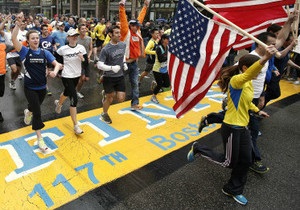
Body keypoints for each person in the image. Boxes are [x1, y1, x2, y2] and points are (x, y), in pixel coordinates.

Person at [187, 46, 277, 205]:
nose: (259, 73)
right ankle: (198, 148)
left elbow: (247, 102)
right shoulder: (237, 81)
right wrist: (264, 59)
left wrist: (257, 111)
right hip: (231, 128)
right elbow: (249, 74)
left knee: (246, 160)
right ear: (245, 68)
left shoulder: (248, 83)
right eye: (257, 70)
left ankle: (233, 189)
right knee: (228, 162)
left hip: (242, 127)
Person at [11, 13, 62, 152]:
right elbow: (13, 38)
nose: (35, 40)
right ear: (27, 41)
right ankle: (40, 139)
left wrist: (54, 72)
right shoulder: (24, 52)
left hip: (42, 88)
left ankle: (28, 111)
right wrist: (17, 23)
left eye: (37, 38)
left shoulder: (44, 52)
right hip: (30, 88)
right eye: (32, 38)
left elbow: (56, 64)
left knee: (34, 108)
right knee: (38, 113)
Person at [54, 28, 87, 135]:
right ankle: (76, 126)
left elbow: (86, 63)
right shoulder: (63, 49)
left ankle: (59, 104)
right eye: (73, 36)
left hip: (76, 75)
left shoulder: (81, 48)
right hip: (66, 76)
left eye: (76, 36)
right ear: (68, 38)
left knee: (67, 92)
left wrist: (83, 60)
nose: (75, 37)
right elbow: (55, 58)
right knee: (74, 98)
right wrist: (58, 67)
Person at [119, 0, 151, 110]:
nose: (137, 27)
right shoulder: (125, 32)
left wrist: (145, 6)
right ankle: (107, 90)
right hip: (124, 64)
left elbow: (140, 18)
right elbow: (123, 19)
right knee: (117, 83)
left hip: (134, 64)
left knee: (135, 84)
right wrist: (122, 6)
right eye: (135, 25)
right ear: (130, 26)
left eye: (138, 25)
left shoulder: (137, 32)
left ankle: (134, 103)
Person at [96, 25, 127, 124]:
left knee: (121, 99)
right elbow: (99, 64)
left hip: (120, 76)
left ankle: (105, 95)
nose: (119, 35)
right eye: (116, 33)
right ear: (110, 34)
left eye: (119, 32)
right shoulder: (106, 49)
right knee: (110, 97)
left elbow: (123, 55)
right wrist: (111, 68)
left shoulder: (122, 45)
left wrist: (124, 63)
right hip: (109, 76)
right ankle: (104, 113)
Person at [150, 34, 170, 104]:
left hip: (164, 69)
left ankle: (156, 84)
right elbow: (161, 59)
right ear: (163, 40)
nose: (169, 40)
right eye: (167, 39)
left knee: (167, 84)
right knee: (160, 84)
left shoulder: (167, 47)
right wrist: (168, 57)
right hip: (157, 69)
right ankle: (153, 96)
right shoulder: (159, 48)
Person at [76, 24, 92, 99]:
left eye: (85, 28)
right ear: (79, 30)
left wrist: (88, 56)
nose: (84, 30)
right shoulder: (76, 39)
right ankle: (77, 91)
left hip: (86, 61)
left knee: (86, 79)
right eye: (82, 29)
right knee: (82, 78)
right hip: (78, 61)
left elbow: (91, 49)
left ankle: (76, 88)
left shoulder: (89, 39)